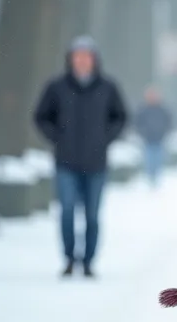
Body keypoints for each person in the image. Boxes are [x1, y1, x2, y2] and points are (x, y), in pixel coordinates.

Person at [33, 36, 128, 278]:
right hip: (65, 162)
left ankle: (88, 261)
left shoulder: (108, 88)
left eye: (87, 56)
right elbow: (41, 116)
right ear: (71, 60)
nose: (82, 61)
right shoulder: (56, 87)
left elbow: (121, 116)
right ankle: (68, 258)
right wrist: (57, 137)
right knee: (66, 212)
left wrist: (105, 138)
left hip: (96, 164)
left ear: (94, 60)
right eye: (78, 56)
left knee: (92, 216)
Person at [134, 85, 174, 187]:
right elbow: (137, 123)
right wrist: (142, 133)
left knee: (158, 159)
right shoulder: (143, 109)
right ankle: (151, 177)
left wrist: (165, 132)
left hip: (160, 139)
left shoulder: (163, 109)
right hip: (147, 140)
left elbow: (169, 121)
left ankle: (156, 176)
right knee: (149, 160)